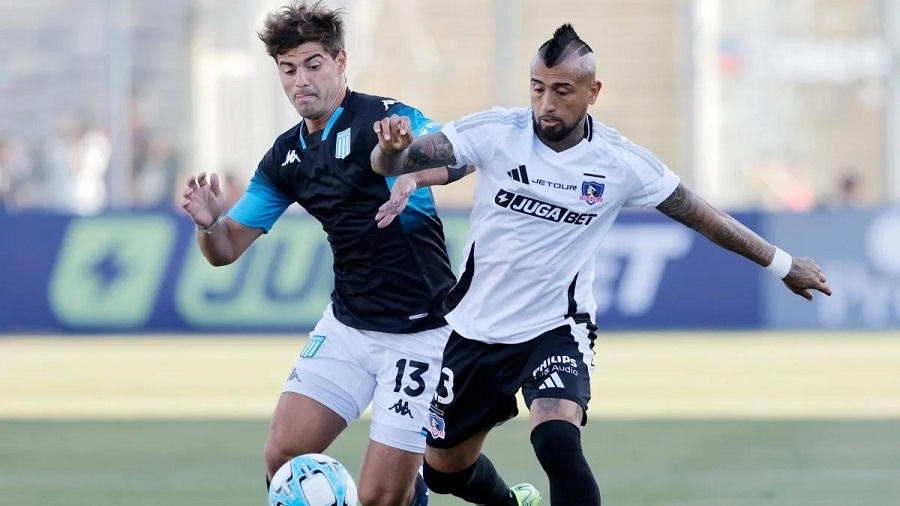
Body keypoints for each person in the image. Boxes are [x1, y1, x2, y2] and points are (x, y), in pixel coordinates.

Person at [370, 23, 832, 506]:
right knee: (444, 471)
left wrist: (783, 264)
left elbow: (705, 218)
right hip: (473, 329)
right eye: (537, 88)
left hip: (554, 327)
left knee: (556, 439)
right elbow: (393, 164)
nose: (546, 103)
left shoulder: (619, 161)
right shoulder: (497, 132)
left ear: (593, 92)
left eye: (562, 90)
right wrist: (392, 150)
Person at [180, 2, 471, 505]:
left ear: (340, 61)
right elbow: (224, 249)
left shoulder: (386, 119)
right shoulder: (285, 158)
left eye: (313, 65)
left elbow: (461, 155)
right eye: (288, 69)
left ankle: (413, 490)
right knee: (282, 456)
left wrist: (409, 165)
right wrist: (208, 225)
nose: (301, 81)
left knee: (381, 497)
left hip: (421, 334)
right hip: (348, 327)